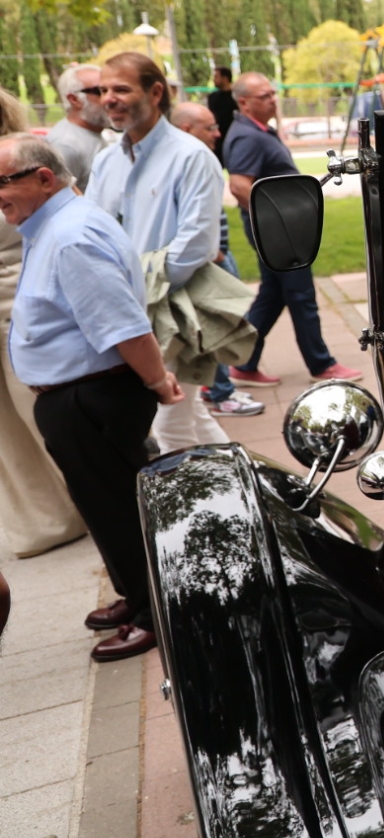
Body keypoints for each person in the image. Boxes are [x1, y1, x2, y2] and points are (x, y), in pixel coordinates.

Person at [1, 134, 183, 661]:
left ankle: (156, 616)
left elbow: (124, 328)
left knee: (120, 510)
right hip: (78, 397)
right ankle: (136, 596)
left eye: (3, 182)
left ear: (44, 178)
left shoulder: (72, 235)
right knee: (105, 507)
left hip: (92, 397)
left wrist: (157, 382)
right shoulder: (51, 226)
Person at [85, 53, 230, 453]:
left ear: (155, 92)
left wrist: (133, 294)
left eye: (121, 89)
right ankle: (248, 493)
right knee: (192, 417)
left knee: (169, 428)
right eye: (103, 90)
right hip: (126, 315)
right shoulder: (106, 162)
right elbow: (94, 236)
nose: (108, 98)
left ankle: (192, 513)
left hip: (173, 313)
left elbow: (194, 248)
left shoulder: (192, 156)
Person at [222, 72, 361, 387]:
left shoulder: (258, 130)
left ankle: (242, 363)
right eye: (264, 96)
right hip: (276, 232)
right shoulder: (247, 136)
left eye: (273, 93)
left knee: (272, 296)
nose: (273, 99)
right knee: (300, 294)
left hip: (279, 228)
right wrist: (275, 222)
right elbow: (240, 186)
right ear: (243, 102)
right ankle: (321, 364)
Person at [0, 90, 85, 558]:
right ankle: (42, 521)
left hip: (23, 298)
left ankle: (83, 503)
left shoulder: (20, 157)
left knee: (41, 411)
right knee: (6, 428)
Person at [170, 101, 263, 417]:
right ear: (186, 129)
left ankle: (218, 388)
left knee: (218, 324)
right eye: (209, 127)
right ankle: (221, 393)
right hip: (210, 259)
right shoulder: (190, 159)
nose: (217, 132)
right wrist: (217, 255)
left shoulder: (190, 158)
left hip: (215, 254)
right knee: (215, 326)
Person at [45, 64, 110, 191]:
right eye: (100, 91)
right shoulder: (66, 145)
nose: (109, 98)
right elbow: (60, 200)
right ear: (74, 99)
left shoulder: (92, 133)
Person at [207, 65, 239, 148]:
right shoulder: (213, 97)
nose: (214, 80)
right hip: (219, 140)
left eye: (216, 77)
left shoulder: (237, 97)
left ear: (225, 78)